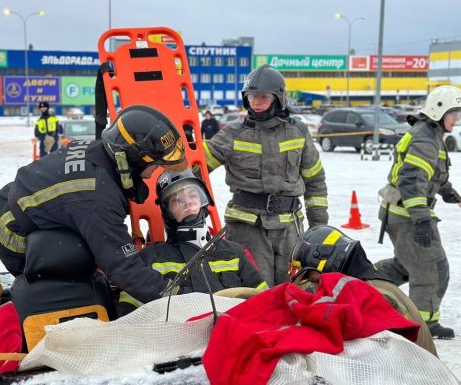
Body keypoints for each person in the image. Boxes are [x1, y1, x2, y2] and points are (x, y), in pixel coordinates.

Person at [0, 104, 188, 305]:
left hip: (13, 203)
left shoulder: (98, 153)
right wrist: (177, 298)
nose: (157, 169)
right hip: (14, 237)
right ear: (134, 158)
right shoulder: (98, 197)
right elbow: (123, 268)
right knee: (88, 265)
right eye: (155, 163)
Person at [202, 64, 328, 286]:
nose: (256, 102)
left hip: (290, 230)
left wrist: (318, 228)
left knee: (294, 289)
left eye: (262, 97)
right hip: (247, 229)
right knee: (255, 293)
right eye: (251, 97)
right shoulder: (232, 134)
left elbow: (315, 180)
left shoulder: (298, 131)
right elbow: (197, 168)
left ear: (278, 98)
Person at [117, 169, 268, 315]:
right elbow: (129, 317)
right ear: (167, 212)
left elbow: (267, 302)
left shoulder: (234, 253)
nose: (188, 203)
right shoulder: (149, 259)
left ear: (203, 200)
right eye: (177, 200)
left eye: (193, 195)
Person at [375, 85, 461, 340]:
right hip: (409, 216)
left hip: (402, 213)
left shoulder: (430, 135)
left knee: (406, 264)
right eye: (453, 113)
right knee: (431, 268)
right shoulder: (425, 138)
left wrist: (447, 191)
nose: (456, 119)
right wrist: (422, 220)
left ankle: (364, 281)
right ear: (439, 111)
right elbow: (412, 181)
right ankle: (423, 324)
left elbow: (430, 173)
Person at [288, 225, 438, 357]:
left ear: (329, 265)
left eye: (316, 281)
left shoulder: (374, 297)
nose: (318, 289)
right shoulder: (370, 286)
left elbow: (376, 361)